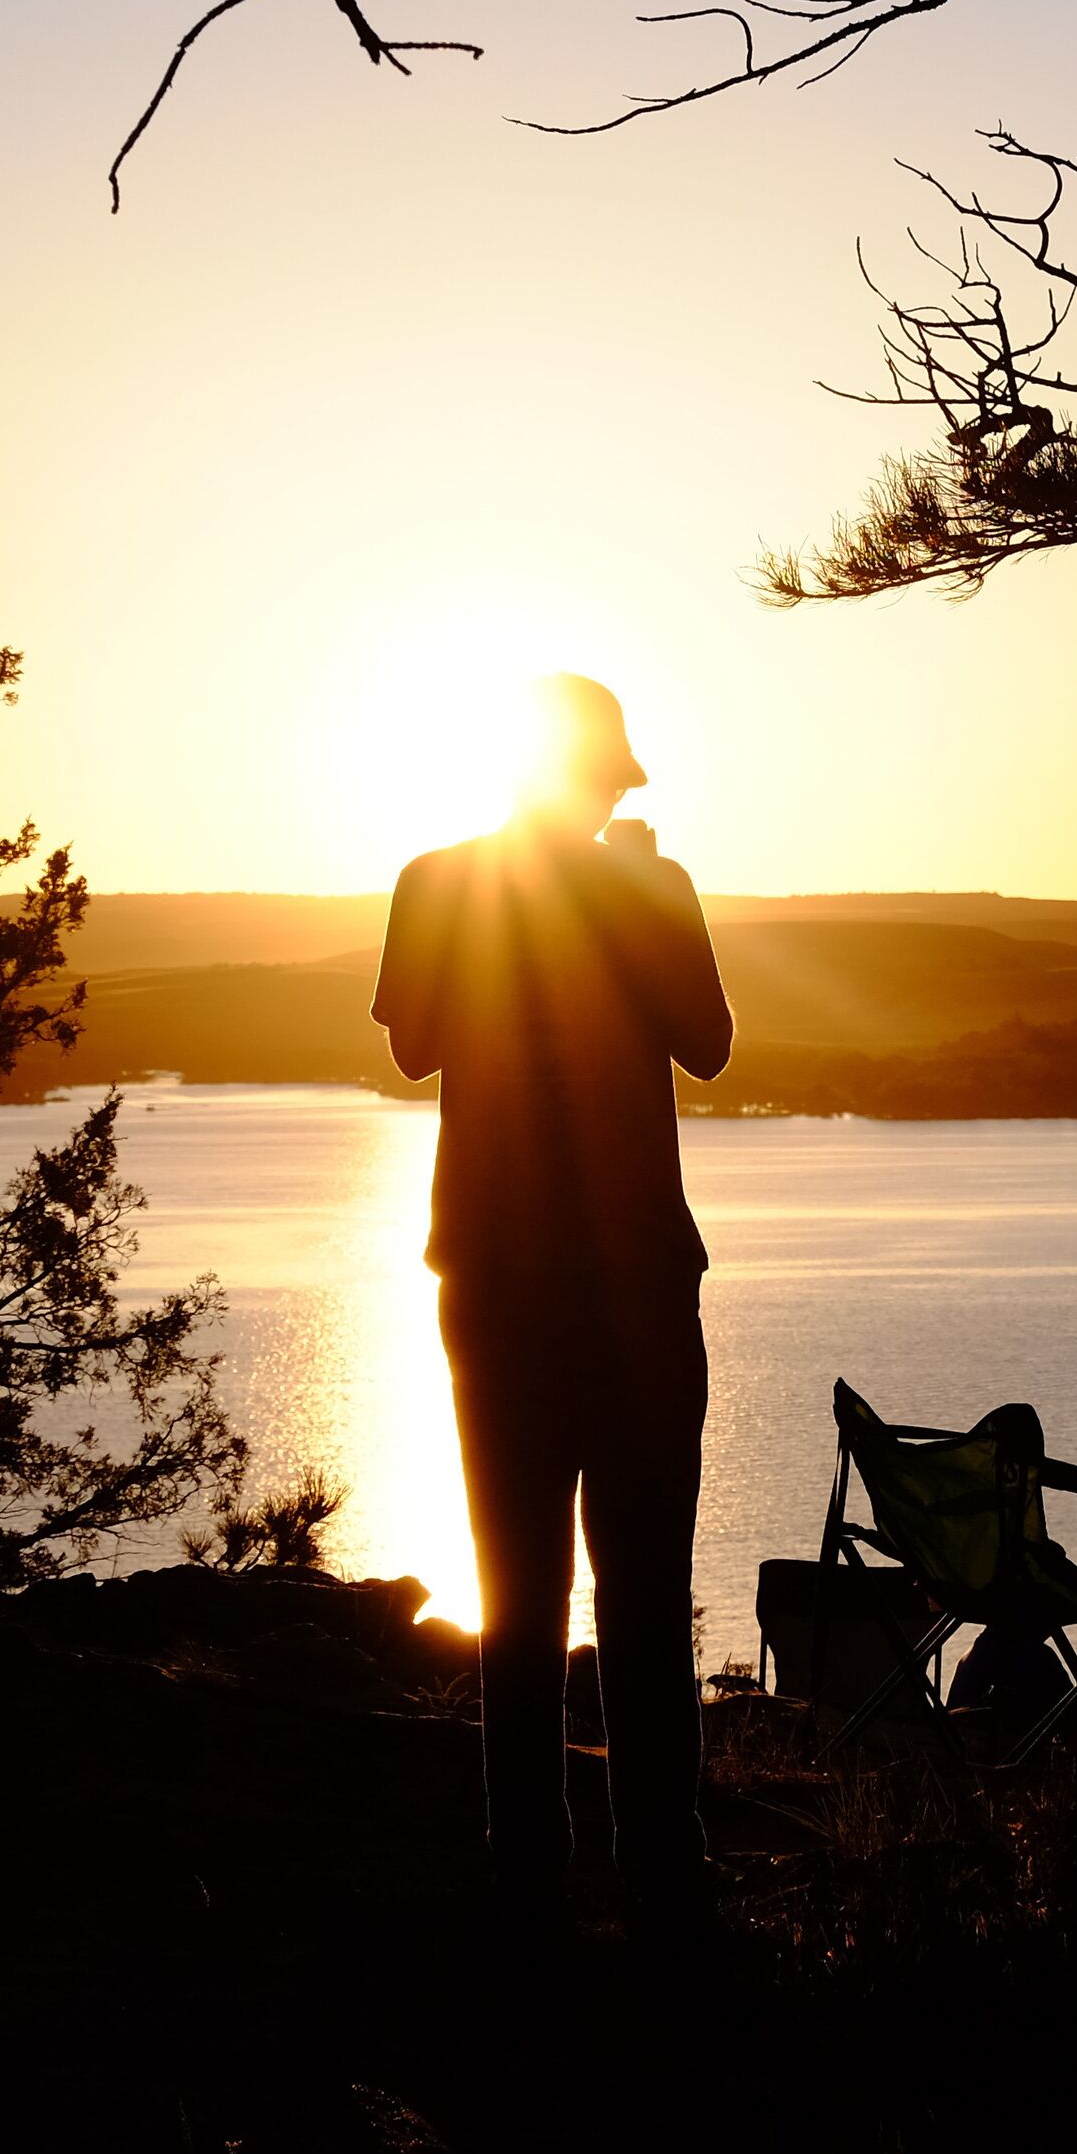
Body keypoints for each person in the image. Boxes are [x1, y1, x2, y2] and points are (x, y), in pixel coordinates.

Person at [372, 673, 733, 1940]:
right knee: (641, 1590)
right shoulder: (650, 888)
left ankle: (530, 1869)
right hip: (628, 1283)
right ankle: (661, 1868)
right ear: (606, 778)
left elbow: (413, 1039)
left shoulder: (435, 880)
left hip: (502, 1278)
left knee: (519, 1588)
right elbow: (709, 1041)